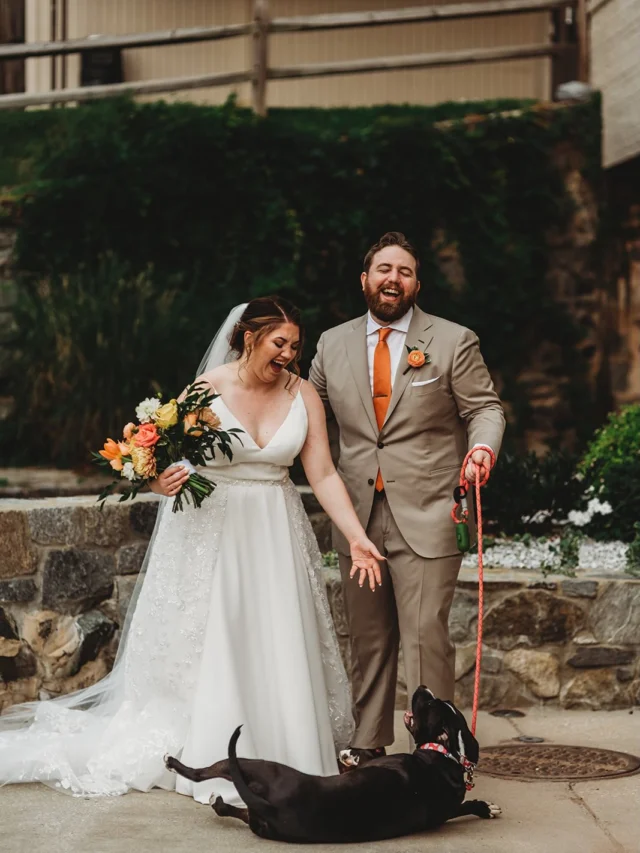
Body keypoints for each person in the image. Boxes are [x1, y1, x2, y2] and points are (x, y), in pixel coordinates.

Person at [0, 296, 383, 805]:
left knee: (274, 633)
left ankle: (284, 748)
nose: (289, 355)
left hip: (274, 528)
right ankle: (211, 753)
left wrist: (356, 536)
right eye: (279, 343)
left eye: (295, 345)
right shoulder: (208, 389)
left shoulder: (303, 394)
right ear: (250, 337)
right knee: (218, 635)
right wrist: (157, 481)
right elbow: (156, 456)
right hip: (212, 530)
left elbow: (324, 473)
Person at [309, 232, 505, 768]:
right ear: (365, 280)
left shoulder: (453, 340)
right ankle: (368, 742)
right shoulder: (331, 344)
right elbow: (304, 415)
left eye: (405, 271)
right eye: (383, 269)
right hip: (355, 516)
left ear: (417, 284)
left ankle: (434, 750)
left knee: (424, 636)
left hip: (430, 510)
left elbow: (484, 408)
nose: (393, 279)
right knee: (368, 637)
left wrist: (482, 449)